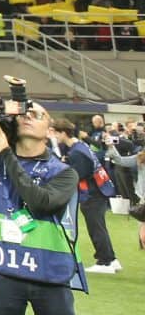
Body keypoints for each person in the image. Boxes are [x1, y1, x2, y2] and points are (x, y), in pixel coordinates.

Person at [0, 101, 85, 315]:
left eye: (37, 115)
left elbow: (40, 203)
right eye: (23, 114)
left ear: (49, 130)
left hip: (49, 270)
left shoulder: (64, 173)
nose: (28, 117)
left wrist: (5, 152)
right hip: (2, 270)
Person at [52, 117, 121, 275]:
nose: (55, 136)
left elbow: (79, 174)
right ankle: (111, 258)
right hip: (99, 190)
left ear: (63, 133)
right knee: (99, 227)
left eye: (56, 133)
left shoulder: (77, 151)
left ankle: (105, 261)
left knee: (95, 228)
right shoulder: (81, 146)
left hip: (92, 193)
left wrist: (65, 169)